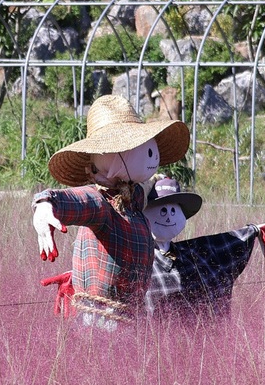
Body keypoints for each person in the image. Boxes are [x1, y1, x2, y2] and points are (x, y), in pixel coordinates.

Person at [32, 95, 189, 330]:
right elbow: (75, 199)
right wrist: (46, 204)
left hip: (131, 318)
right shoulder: (101, 203)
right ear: (112, 155)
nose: (152, 155)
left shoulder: (133, 199)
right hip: (100, 321)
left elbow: (145, 191)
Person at [143, 175, 265, 321]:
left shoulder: (195, 254)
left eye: (173, 211)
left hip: (197, 337)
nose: (169, 217)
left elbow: (221, 245)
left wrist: (254, 231)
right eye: (162, 210)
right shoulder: (137, 260)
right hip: (152, 339)